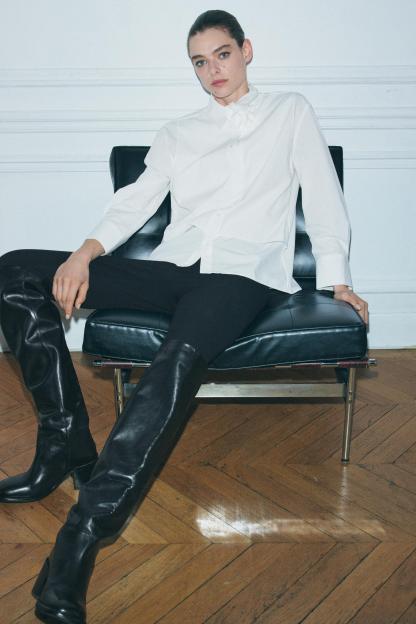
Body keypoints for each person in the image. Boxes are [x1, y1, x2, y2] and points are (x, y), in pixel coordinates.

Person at [0, 9, 369, 623]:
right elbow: (135, 201)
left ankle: (82, 534)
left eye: (222, 54)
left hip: (244, 276)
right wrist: (83, 254)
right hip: (176, 268)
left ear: (246, 50)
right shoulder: (179, 132)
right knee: (14, 269)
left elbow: (323, 195)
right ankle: (63, 441)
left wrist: (341, 281)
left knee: (175, 360)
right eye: (200, 61)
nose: (213, 70)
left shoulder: (290, 111)